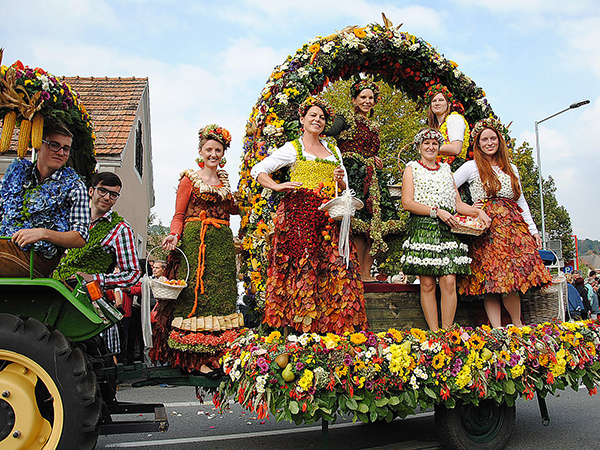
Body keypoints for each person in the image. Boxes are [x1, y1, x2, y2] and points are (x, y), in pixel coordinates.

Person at [251, 96, 367, 334]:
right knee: (303, 267)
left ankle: (331, 329)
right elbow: (258, 169)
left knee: (335, 268)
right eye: (313, 115)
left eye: (322, 117)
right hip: (301, 216)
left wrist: (339, 181)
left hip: (330, 217)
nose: (318, 120)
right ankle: (301, 330)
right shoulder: (293, 148)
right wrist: (277, 186)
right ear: (302, 119)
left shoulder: (333, 149)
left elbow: (345, 185)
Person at [151, 124, 239, 375]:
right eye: (209, 149)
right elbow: (179, 215)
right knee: (196, 297)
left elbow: (234, 209)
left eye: (218, 150)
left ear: (223, 153)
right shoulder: (190, 179)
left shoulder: (225, 181)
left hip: (221, 242)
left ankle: (219, 354)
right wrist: (173, 235)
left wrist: (247, 201)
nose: (213, 154)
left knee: (221, 294)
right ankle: (195, 359)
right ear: (200, 151)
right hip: (195, 241)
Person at [454, 117, 552, 327]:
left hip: (512, 231)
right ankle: (497, 330)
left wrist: (533, 229)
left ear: (499, 141)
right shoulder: (471, 167)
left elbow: (522, 201)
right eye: (484, 139)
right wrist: (469, 208)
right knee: (491, 281)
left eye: (493, 138)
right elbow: (447, 185)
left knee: (512, 281)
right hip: (487, 230)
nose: (489, 143)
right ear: (477, 144)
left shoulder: (512, 168)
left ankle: (518, 326)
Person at [401, 127, 490, 331]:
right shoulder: (411, 168)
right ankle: (434, 333)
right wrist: (436, 211)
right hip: (423, 228)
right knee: (428, 283)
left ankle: (448, 332)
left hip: (448, 229)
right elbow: (407, 202)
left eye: (434, 143)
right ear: (419, 146)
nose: (431, 147)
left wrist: (478, 213)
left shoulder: (446, 170)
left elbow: (457, 205)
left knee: (449, 281)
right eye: (426, 143)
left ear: (439, 147)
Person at [325, 79, 403, 281]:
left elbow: (369, 149)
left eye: (371, 98)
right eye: (363, 97)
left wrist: (375, 159)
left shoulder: (375, 125)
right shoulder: (346, 118)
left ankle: (367, 272)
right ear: (354, 99)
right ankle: (357, 270)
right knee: (358, 224)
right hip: (353, 175)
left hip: (373, 177)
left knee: (379, 226)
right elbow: (329, 131)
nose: (367, 101)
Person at [0, 120, 90, 277]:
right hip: (7, 244)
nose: (61, 152)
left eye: (66, 149)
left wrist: (43, 233)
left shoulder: (75, 186)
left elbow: (81, 237)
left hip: (38, 258)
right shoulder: (15, 175)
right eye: (54, 145)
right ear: (38, 145)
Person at [53, 172, 141, 290]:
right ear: (91, 191)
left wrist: (96, 278)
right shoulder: (70, 219)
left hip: (86, 295)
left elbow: (133, 274)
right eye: (102, 191)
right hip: (54, 286)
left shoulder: (121, 229)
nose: (107, 197)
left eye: (113, 194)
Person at [425, 84, 470, 171]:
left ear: (449, 104)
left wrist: (427, 148)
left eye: (441, 100)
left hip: (454, 169)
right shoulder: (436, 127)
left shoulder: (454, 118)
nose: (437, 103)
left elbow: (456, 149)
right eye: (434, 101)